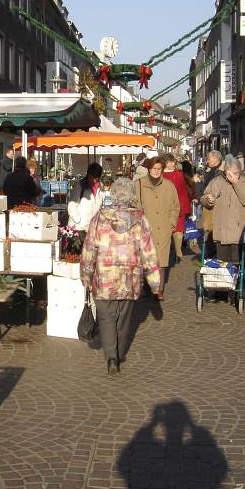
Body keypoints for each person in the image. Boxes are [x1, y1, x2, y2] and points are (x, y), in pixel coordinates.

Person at [80, 178, 162, 375]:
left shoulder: (99, 218)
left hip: (104, 278)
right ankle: (119, 352)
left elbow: (89, 249)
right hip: (129, 278)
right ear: (132, 195)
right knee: (124, 319)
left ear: (113, 194)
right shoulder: (140, 220)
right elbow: (149, 253)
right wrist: (155, 283)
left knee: (106, 318)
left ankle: (111, 358)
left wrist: (85, 275)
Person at [134, 156, 180, 301]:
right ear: (149, 169)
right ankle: (147, 286)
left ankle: (159, 288)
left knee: (161, 260)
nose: (156, 171)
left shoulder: (169, 185)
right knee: (147, 259)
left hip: (163, 228)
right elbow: (134, 204)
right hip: (146, 228)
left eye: (159, 168)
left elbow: (175, 206)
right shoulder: (139, 184)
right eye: (154, 168)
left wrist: (171, 223)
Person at [202, 154, 245, 264]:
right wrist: (208, 200)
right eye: (229, 173)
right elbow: (204, 198)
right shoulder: (217, 182)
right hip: (221, 231)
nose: (231, 176)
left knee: (238, 265)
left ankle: (240, 281)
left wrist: (236, 183)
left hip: (239, 233)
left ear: (240, 171)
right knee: (223, 266)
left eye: (235, 173)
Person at [162, 154, 192, 259]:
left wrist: (187, 208)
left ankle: (178, 252)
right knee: (166, 231)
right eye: (169, 162)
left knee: (178, 231)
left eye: (173, 161)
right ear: (165, 163)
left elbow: (184, 191)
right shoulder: (160, 175)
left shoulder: (179, 174)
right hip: (164, 207)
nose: (172, 164)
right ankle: (167, 250)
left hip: (178, 206)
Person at [67, 163, 105, 236]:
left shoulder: (100, 189)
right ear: (88, 175)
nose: (92, 180)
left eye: (95, 178)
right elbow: (71, 206)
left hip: (91, 229)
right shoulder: (79, 186)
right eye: (90, 177)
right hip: (78, 229)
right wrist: (79, 221)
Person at [201, 150, 223, 255]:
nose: (207, 161)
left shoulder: (221, 172)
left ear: (216, 160)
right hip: (208, 203)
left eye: (209, 159)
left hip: (218, 204)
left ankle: (215, 250)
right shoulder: (210, 170)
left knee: (216, 227)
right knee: (208, 227)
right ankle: (211, 249)